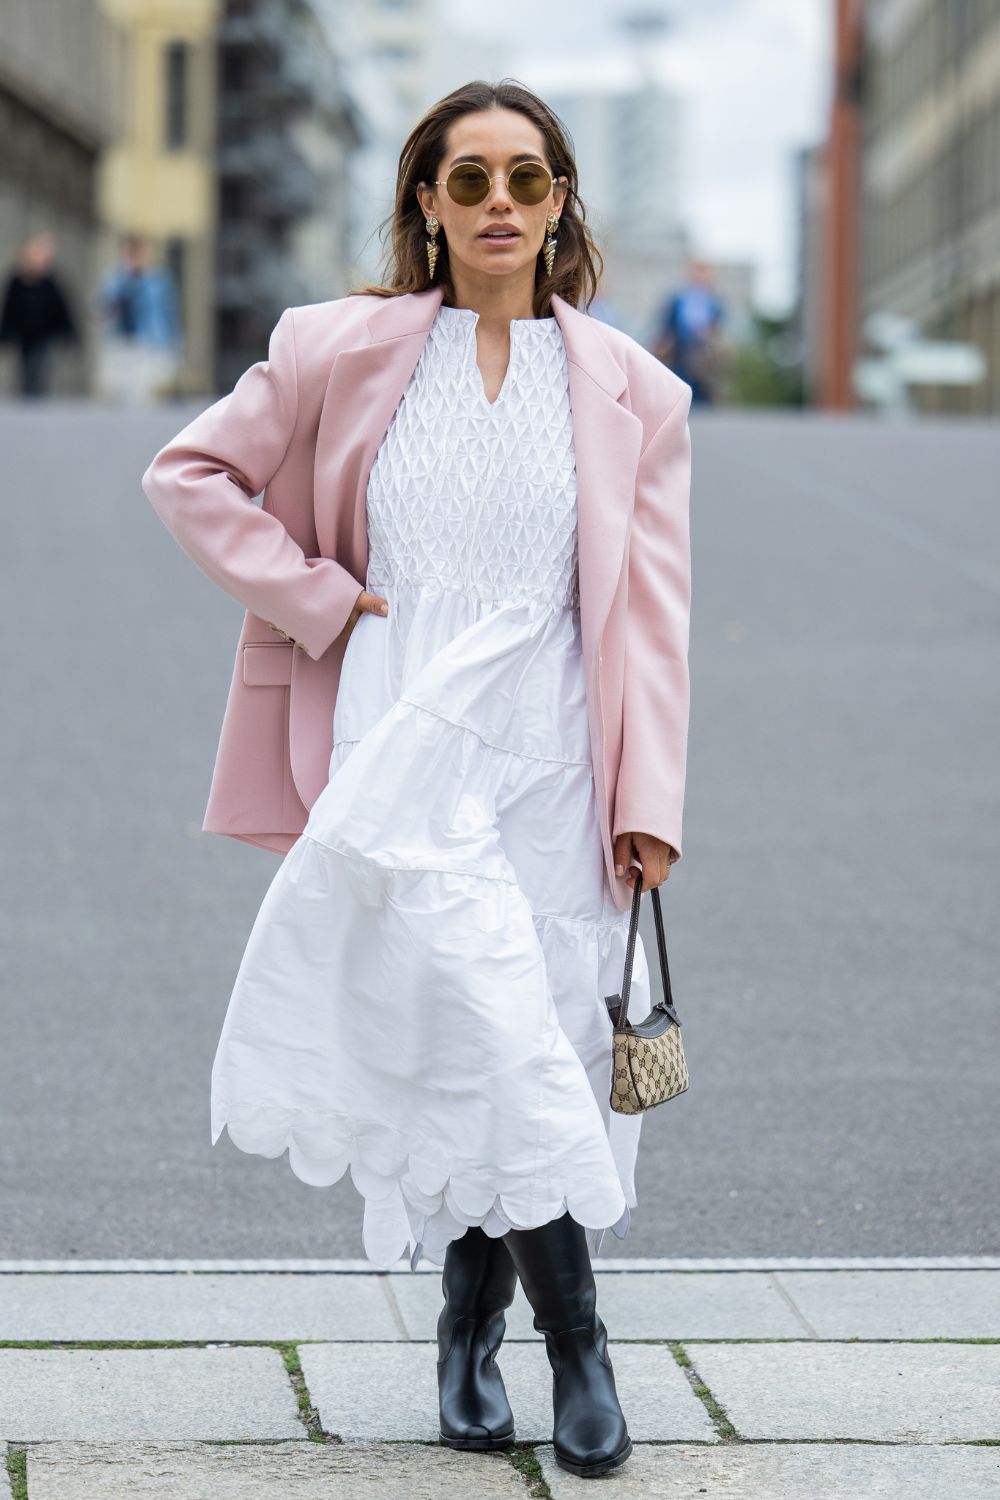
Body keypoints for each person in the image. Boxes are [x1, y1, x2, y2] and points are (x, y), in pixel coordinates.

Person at [141, 79, 693, 1479]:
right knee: (469, 1016)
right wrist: (317, 599)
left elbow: (651, 617)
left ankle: (465, 1332)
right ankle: (578, 1346)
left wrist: (650, 805)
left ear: (562, 200)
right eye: (469, 181)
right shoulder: (335, 349)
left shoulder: (637, 389)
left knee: (525, 1034)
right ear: (428, 206)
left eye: (526, 178)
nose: (498, 203)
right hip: (399, 725)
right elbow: (192, 473)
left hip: (557, 740)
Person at [94, 234, 183, 404]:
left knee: (145, 395)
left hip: (149, 343)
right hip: (121, 342)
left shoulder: (159, 281)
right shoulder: (115, 280)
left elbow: (169, 314)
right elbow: (102, 307)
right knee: (116, 392)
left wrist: (175, 344)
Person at [0, 231, 79, 398]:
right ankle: (27, 397)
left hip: (44, 338)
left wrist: (68, 333)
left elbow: (62, 311)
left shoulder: (51, 284)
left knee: (40, 369)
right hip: (24, 338)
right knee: (25, 372)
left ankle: (37, 398)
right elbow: (9, 310)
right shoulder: (16, 282)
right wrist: (5, 334)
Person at [655, 258, 725, 404]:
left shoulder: (714, 302)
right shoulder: (678, 299)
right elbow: (667, 325)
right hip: (680, 353)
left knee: (702, 396)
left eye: (703, 271)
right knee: (680, 393)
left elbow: (717, 328)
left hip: (704, 357)